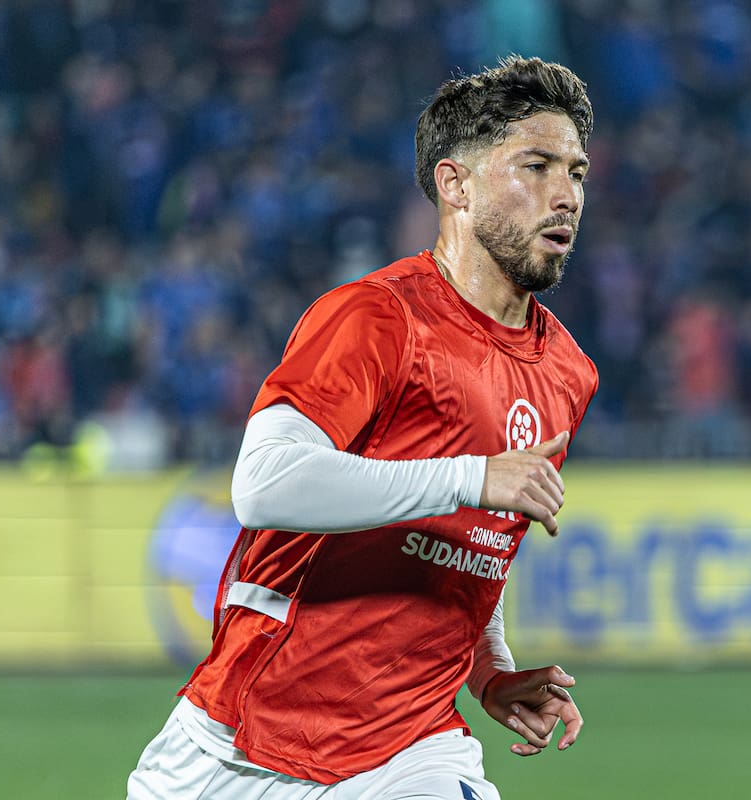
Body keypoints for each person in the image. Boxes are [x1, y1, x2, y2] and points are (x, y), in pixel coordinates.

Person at [127, 55, 599, 799]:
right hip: (238, 747)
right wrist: (473, 475)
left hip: (412, 751)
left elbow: (471, 550)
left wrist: (490, 670)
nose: (565, 193)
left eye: (575, 171)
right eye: (535, 165)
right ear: (456, 186)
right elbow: (263, 482)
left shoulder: (567, 374)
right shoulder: (377, 319)